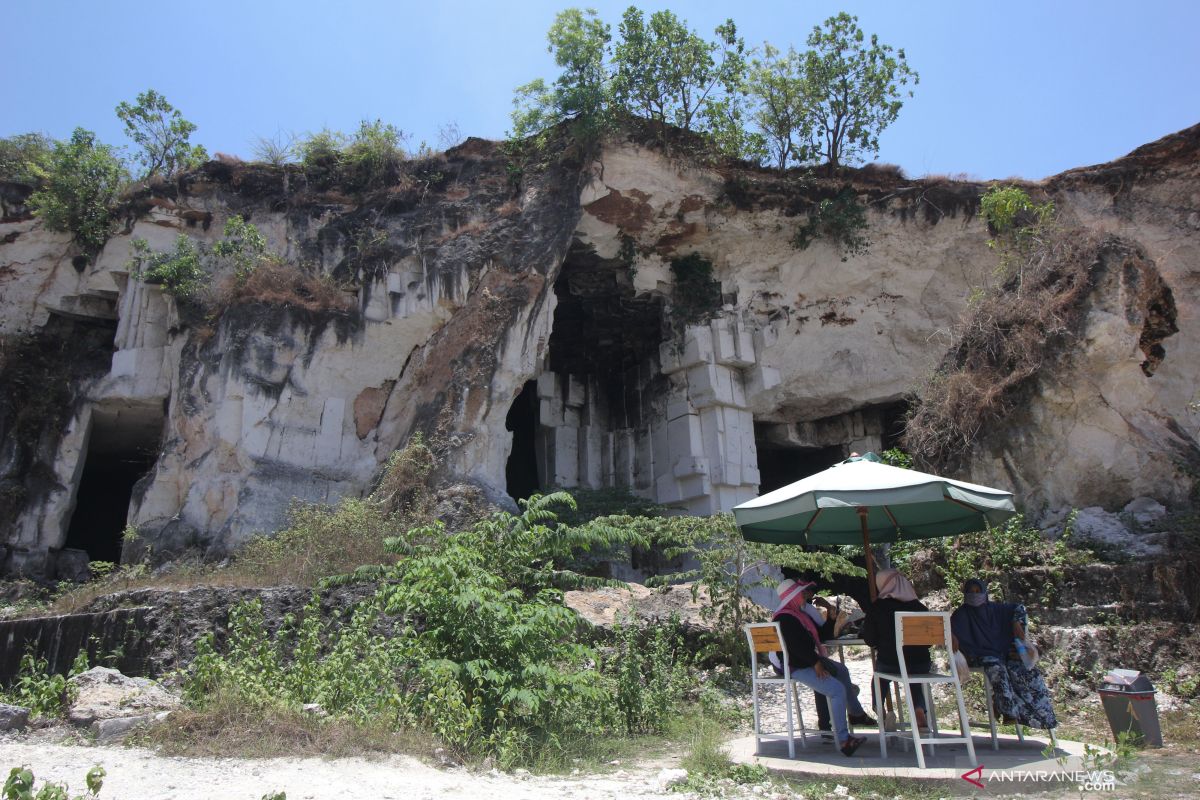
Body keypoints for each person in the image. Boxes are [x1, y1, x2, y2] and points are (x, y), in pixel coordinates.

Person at [772, 579, 868, 756]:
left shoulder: (799, 614)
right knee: (837, 690)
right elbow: (796, 647)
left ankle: (855, 713)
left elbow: (821, 636)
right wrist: (815, 663)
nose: (805, 596)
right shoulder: (785, 618)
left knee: (841, 670)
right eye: (801, 593)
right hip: (797, 665)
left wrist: (831, 618)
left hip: (806, 659)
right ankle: (844, 740)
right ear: (793, 596)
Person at [950, 578, 1058, 730]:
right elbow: (948, 631)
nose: (974, 595)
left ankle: (1044, 717)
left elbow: (1018, 608)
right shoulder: (960, 615)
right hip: (979, 655)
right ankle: (1008, 712)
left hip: (1004, 653)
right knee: (996, 669)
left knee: (1027, 673)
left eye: (977, 591)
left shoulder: (997, 610)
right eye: (970, 592)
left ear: (984, 592)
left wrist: (1016, 624)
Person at [861, 568, 932, 731]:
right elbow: (928, 642)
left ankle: (881, 712)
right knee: (913, 677)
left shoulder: (878, 607)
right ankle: (919, 710)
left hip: (891, 663)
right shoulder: (920, 608)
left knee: (879, 678)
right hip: (921, 663)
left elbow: (869, 639)